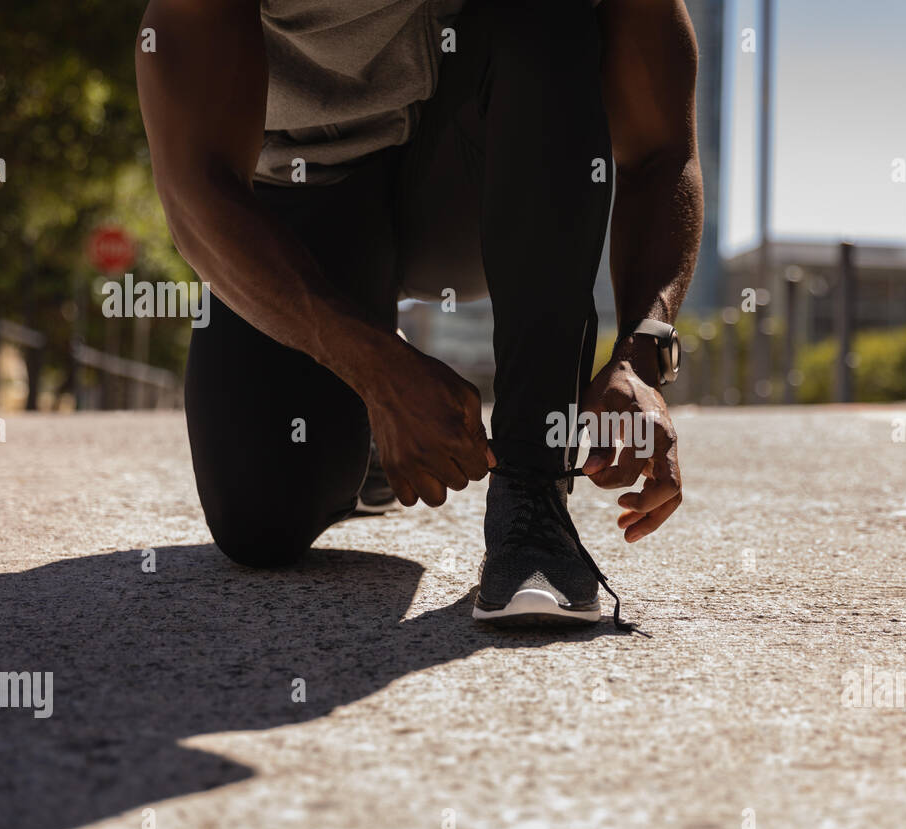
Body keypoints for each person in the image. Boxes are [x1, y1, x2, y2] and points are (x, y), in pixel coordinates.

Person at [136, 0, 703, 625]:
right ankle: (366, 429)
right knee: (260, 518)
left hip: (473, 181)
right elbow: (197, 184)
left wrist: (642, 353)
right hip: (309, 184)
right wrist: (376, 369)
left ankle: (531, 499)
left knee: (549, 19)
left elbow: (661, 149)